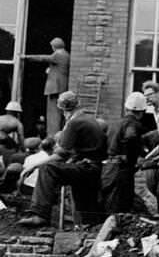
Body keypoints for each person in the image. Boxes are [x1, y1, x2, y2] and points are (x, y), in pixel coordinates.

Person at [19, 91, 106, 226]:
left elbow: (60, 155)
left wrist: (33, 166)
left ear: (64, 109)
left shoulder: (75, 123)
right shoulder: (89, 119)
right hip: (93, 167)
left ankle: (40, 214)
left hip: (86, 167)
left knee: (47, 169)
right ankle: (88, 226)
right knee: (86, 211)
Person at [103, 92, 147, 213]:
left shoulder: (115, 123)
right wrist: (133, 156)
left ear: (126, 108)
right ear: (141, 111)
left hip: (109, 168)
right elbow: (131, 137)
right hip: (122, 170)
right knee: (121, 206)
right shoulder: (133, 124)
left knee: (111, 203)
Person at [22, 37, 70, 135]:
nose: (52, 48)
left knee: (53, 114)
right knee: (56, 113)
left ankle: (52, 135)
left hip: (56, 87)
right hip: (60, 86)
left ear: (55, 46)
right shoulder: (65, 54)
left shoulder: (59, 54)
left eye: (52, 46)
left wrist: (26, 57)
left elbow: (43, 58)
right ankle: (54, 134)